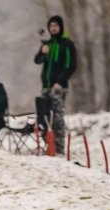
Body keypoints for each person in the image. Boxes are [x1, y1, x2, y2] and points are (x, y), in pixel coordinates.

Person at [34, 15, 77, 154]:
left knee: (57, 118)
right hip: (45, 86)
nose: (53, 28)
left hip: (58, 87)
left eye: (56, 25)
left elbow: (71, 65)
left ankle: (59, 148)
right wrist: (42, 52)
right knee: (45, 117)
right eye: (51, 26)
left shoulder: (67, 44)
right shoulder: (48, 44)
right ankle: (48, 146)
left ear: (60, 27)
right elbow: (37, 61)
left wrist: (60, 81)